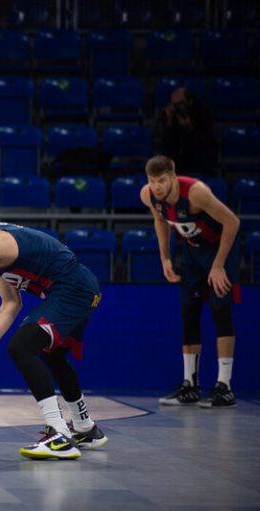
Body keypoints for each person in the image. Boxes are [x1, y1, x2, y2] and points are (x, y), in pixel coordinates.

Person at [0, 190, 108, 460]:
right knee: (52, 356)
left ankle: (59, 435)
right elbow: (11, 304)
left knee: (21, 347)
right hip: (79, 287)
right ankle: (85, 427)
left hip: (72, 288)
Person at [140, 155, 240, 408]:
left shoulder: (196, 193)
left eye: (161, 181)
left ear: (173, 177)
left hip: (219, 251)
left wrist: (218, 265)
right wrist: (164, 258)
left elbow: (232, 222)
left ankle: (224, 386)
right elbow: (160, 221)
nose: (157, 187)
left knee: (220, 310)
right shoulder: (148, 195)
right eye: (152, 181)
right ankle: (190, 385)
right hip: (192, 252)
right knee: (188, 312)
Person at [155, 87, 218, 176]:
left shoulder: (204, 113)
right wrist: (169, 122)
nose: (177, 108)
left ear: (189, 102)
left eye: (180, 104)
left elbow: (207, 142)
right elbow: (167, 144)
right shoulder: (171, 115)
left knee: (207, 155)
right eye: (174, 104)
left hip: (198, 155)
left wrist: (190, 128)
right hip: (179, 157)